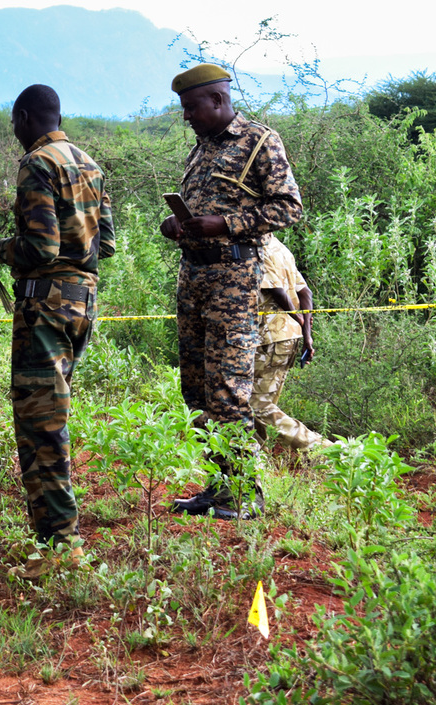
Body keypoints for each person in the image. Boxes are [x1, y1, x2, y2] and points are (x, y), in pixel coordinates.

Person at [0, 84, 115, 579]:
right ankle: (58, 542)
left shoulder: (37, 164)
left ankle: (60, 549)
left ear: (25, 117)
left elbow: (40, 250)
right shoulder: (88, 162)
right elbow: (106, 244)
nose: (15, 133)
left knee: (41, 423)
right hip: (83, 302)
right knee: (51, 414)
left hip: (46, 304)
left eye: (14, 123)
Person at [160, 64, 304, 520]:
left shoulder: (261, 142)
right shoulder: (200, 151)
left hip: (234, 280)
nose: (186, 116)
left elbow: (288, 207)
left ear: (218, 100)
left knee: (228, 391)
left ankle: (245, 495)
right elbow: (201, 212)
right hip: (195, 278)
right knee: (197, 390)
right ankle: (220, 488)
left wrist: (224, 224)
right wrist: (179, 226)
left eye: (191, 107)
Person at [252, 236, 329, 450]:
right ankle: (251, 462)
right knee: (260, 405)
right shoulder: (280, 247)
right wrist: (307, 335)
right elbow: (305, 291)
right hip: (287, 338)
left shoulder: (260, 248)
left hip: (270, 337)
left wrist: (297, 318)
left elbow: (276, 291)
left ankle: (327, 450)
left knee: (257, 405)